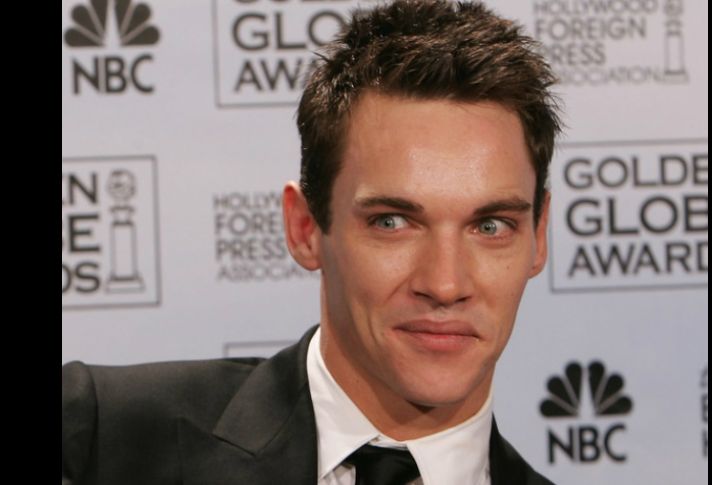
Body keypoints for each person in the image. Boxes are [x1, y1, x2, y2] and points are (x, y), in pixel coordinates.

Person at [62, 1, 562, 484]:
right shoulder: (97, 440)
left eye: (491, 226)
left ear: (538, 237)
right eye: (392, 222)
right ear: (304, 228)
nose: (446, 284)